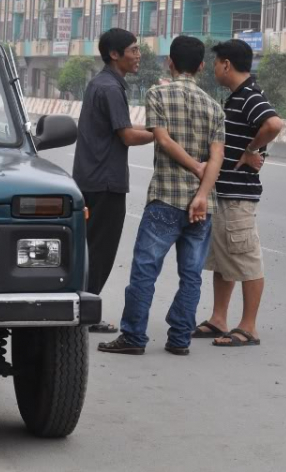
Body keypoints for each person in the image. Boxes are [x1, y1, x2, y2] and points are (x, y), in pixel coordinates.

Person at [98, 35, 225, 356]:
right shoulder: (214, 107)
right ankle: (180, 338)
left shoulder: (157, 94)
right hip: (201, 205)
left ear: (170, 62)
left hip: (165, 200)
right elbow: (218, 158)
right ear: (201, 66)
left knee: (144, 271)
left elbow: (163, 141)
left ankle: (134, 337)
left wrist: (195, 168)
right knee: (191, 275)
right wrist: (202, 193)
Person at [193, 40, 283, 347]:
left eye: (217, 62)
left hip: (238, 196)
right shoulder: (236, 98)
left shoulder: (250, 96)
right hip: (223, 193)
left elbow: (273, 123)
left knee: (245, 259)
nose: (215, 67)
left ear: (226, 64)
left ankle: (248, 327)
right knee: (223, 260)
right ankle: (219, 319)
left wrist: (251, 150)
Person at [72, 28, 154, 333]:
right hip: (105, 182)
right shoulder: (110, 88)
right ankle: (87, 312)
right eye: (133, 50)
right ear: (115, 54)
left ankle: (80, 307)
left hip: (90, 178)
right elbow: (128, 136)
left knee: (89, 248)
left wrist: (154, 126)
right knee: (100, 251)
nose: (138, 56)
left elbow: (124, 126)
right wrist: (161, 135)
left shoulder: (102, 83)